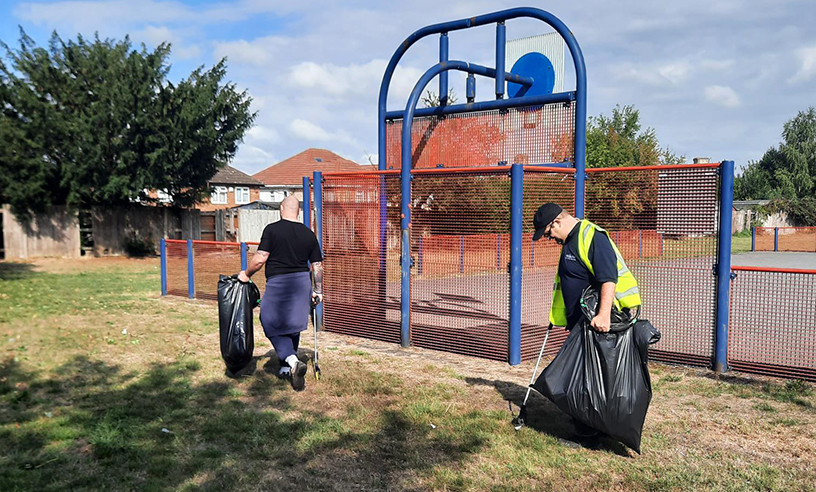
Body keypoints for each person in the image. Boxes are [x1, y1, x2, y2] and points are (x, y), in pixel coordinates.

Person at [532, 202, 641, 439]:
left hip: (597, 321)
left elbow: (608, 278)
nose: (549, 238)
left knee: (589, 378)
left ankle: (589, 432)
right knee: (583, 376)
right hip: (580, 323)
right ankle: (587, 425)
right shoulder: (570, 239)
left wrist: (603, 315)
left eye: (548, 232)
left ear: (557, 222)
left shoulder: (592, 237)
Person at [238, 195, 323, 391]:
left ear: (281, 209)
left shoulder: (272, 229)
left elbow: (260, 259)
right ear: (299, 211)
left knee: (268, 319)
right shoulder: (309, 234)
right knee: (292, 325)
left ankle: (292, 361)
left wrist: (246, 274)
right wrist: (318, 291)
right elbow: (317, 266)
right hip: (302, 283)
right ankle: (286, 367)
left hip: (279, 282)